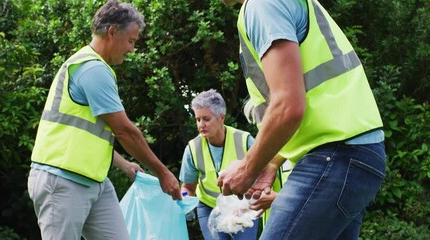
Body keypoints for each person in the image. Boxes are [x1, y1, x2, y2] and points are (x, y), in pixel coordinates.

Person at [217, 0, 387, 239]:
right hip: (352, 155)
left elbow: (288, 105)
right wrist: (272, 161)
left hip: (335, 157)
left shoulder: (262, 6)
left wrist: (247, 168)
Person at [27, 1, 181, 239]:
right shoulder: (92, 69)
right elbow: (125, 131)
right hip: (62, 181)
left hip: (95, 182)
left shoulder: (95, 67)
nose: (132, 49)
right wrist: (163, 173)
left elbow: (94, 133)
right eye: (131, 41)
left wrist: (124, 164)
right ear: (112, 32)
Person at [179, 89, 259, 240]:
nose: (201, 125)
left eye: (206, 119)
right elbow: (188, 187)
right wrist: (185, 202)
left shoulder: (245, 140)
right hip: (209, 207)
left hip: (243, 207)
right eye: (197, 119)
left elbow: (263, 175)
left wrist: (248, 202)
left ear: (221, 118)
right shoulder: (192, 148)